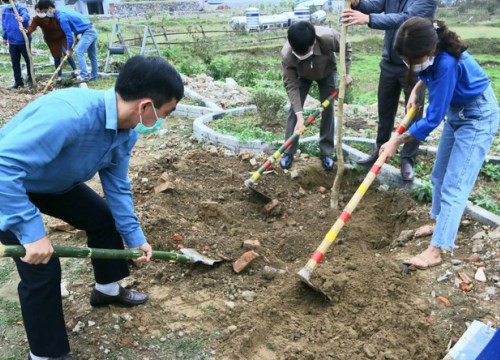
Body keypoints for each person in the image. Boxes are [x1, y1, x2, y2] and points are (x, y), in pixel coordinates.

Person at [0, 55, 184, 360]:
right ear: (145, 106)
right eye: (166, 112)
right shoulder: (69, 116)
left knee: (103, 219)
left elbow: (117, 186)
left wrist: (135, 237)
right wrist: (31, 232)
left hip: (53, 183)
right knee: (42, 267)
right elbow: (4, 166)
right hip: (9, 186)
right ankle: (46, 354)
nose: (164, 119)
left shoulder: (126, 131)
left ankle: (107, 289)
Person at [380, 17, 499, 270]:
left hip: (478, 117)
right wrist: (417, 89)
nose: (411, 65)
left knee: (455, 185)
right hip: (458, 113)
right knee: (438, 175)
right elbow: (426, 72)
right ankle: (439, 223)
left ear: (430, 51)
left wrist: (396, 141)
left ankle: (437, 249)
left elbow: (432, 119)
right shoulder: (433, 51)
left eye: (414, 60)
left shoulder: (445, 62)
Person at [341, 0, 438, 181]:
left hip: (413, 63)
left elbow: (406, 19)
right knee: (384, 110)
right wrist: (358, 3)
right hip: (389, 62)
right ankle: (379, 150)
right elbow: (375, 5)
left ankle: (407, 160)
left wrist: (368, 19)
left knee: (413, 114)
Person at [280, 21, 352, 171]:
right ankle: (288, 151)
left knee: (327, 109)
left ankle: (326, 151)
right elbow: (291, 86)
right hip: (302, 75)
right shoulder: (287, 55)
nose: (301, 55)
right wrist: (300, 116)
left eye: (304, 53)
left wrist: (346, 73)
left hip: (326, 72)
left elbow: (346, 46)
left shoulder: (328, 37)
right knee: (294, 111)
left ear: (313, 42)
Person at [36, 0, 98, 82]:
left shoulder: (62, 17)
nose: (45, 14)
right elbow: (76, 23)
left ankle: (83, 76)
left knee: (79, 52)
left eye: (45, 11)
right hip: (90, 29)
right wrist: (76, 36)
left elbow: (69, 36)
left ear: (50, 8)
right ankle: (94, 77)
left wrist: (69, 49)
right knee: (92, 55)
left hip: (88, 32)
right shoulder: (62, 10)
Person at [25, 2, 78, 82]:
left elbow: (63, 24)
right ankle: (59, 76)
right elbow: (32, 27)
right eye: (38, 12)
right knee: (56, 57)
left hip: (61, 37)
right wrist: (27, 31)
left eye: (41, 11)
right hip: (51, 40)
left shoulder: (52, 15)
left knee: (66, 52)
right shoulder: (36, 19)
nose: (40, 13)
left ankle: (75, 70)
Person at [1, 0, 33, 89]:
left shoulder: (20, 8)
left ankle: (31, 80)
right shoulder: (5, 10)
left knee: (28, 61)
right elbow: (4, 24)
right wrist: (4, 37)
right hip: (12, 41)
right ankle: (18, 82)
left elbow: (26, 15)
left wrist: (22, 18)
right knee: (15, 63)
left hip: (23, 40)